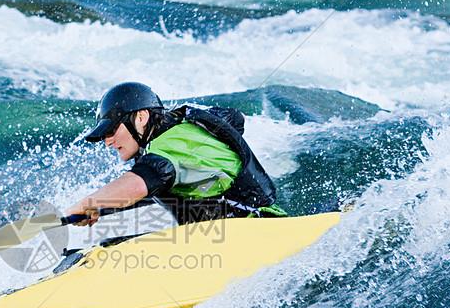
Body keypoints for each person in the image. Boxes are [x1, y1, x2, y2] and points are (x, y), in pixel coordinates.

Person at [67, 82, 286, 226]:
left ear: (141, 118)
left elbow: (138, 184)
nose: (107, 141)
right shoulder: (183, 128)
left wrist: (89, 203)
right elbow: (233, 119)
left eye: (111, 130)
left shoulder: (173, 144)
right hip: (249, 226)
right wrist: (102, 210)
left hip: (255, 229)